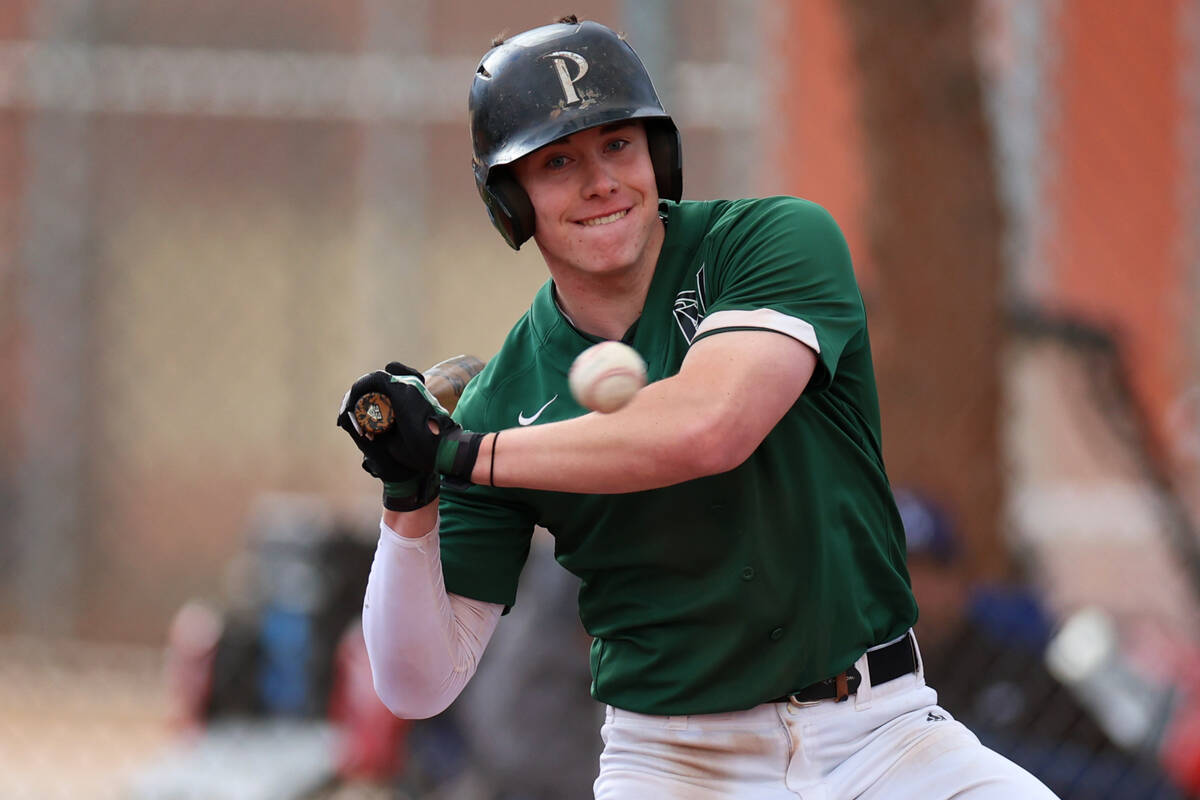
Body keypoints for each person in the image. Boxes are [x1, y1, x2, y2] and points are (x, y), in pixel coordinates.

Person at [335, 16, 1059, 799]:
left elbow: (711, 428)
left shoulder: (773, 242)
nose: (601, 180)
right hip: (676, 765)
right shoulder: (505, 398)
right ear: (510, 202)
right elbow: (417, 684)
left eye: (618, 144)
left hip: (883, 735)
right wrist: (408, 489)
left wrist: (465, 453)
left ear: (659, 155)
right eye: (557, 162)